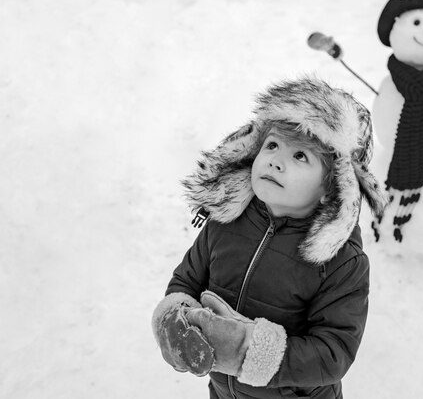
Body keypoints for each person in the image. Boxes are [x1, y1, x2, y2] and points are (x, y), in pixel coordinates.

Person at [152, 77, 387, 399]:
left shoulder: (340, 261)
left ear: (331, 187)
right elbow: (186, 281)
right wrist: (175, 319)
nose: (276, 160)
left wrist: (246, 350)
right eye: (272, 145)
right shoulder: (226, 221)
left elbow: (334, 352)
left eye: (300, 156)